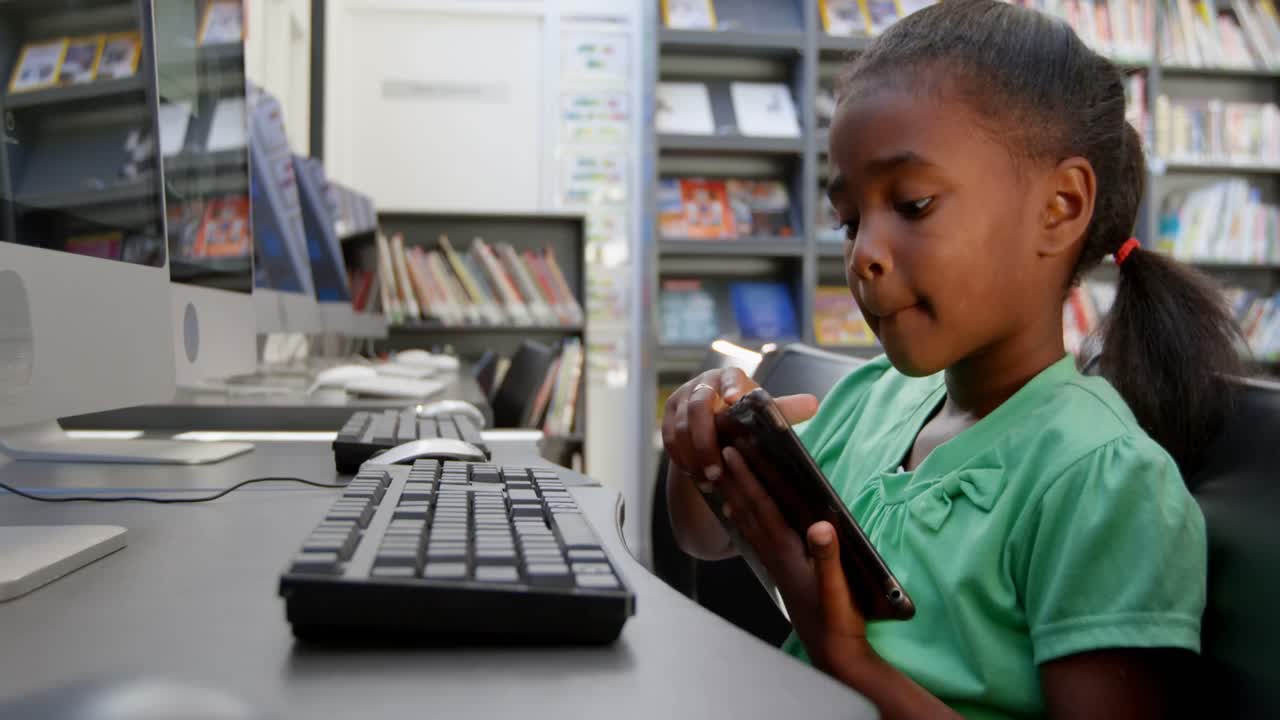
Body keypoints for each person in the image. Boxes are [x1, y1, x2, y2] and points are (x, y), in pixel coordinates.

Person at [660, 1, 1245, 717]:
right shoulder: (870, 399)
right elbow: (704, 534)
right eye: (848, 221)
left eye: (912, 205)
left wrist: (848, 659)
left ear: (1060, 206)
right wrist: (700, 449)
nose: (863, 255)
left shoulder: (1102, 483)